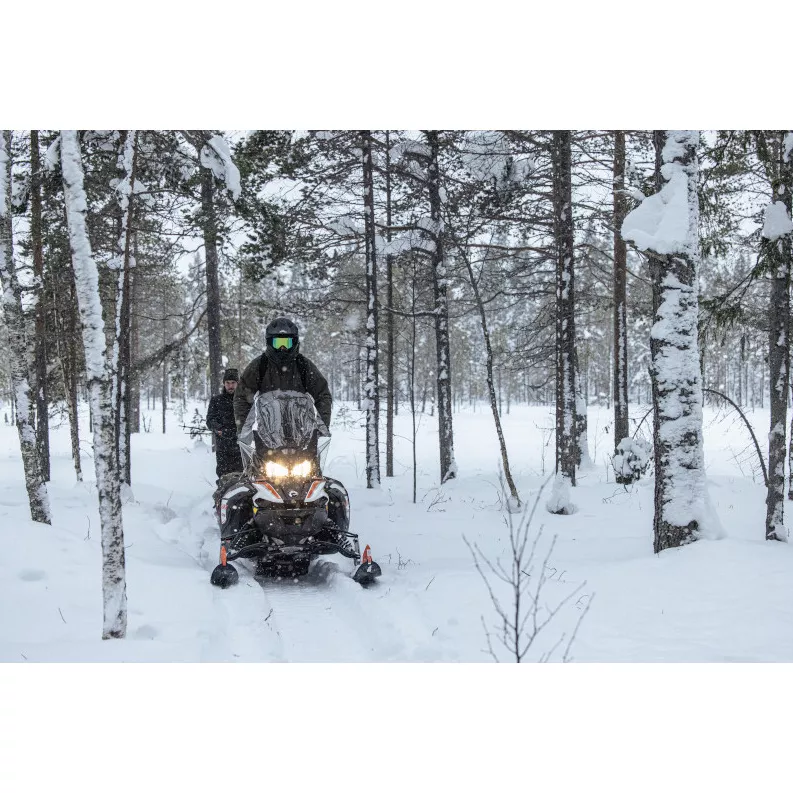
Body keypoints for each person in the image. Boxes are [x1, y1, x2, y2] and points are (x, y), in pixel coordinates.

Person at [234, 317, 332, 463]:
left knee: (314, 472)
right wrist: (243, 429)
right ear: (270, 343)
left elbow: (322, 394)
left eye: (287, 343)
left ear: (294, 342)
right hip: (268, 437)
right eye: (278, 343)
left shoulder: (303, 366)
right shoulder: (260, 366)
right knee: (256, 472)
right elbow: (242, 397)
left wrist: (322, 427)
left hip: (302, 436)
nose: (282, 348)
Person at [206, 368, 243, 482]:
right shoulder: (216, 400)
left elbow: (251, 420)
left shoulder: (244, 401)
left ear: (238, 383)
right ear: (224, 383)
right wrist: (219, 429)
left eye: (233, 383)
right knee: (224, 477)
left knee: (242, 477)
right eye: (228, 383)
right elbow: (210, 420)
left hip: (241, 446)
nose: (230, 386)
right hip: (223, 446)